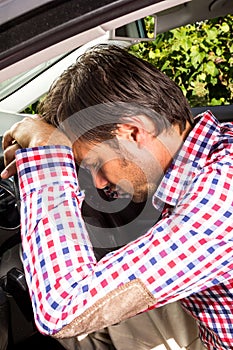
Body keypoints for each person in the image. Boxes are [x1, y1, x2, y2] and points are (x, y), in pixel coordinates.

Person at [1, 44, 233, 350]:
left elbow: (64, 309)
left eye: (96, 163)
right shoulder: (211, 155)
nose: (95, 183)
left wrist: (49, 162)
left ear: (134, 132)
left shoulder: (219, 196)